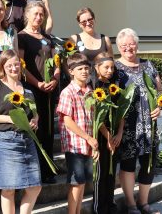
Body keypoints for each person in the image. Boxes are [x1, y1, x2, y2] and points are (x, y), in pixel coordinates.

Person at [0, 49, 42, 214]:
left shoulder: (27, 89)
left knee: (35, 186)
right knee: (8, 189)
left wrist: (35, 121)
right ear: (2, 66)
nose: (14, 68)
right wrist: (11, 120)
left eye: (16, 64)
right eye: (9, 65)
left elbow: (35, 113)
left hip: (27, 140)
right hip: (6, 141)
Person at [115, 28, 162, 214]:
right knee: (128, 164)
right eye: (124, 45)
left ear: (137, 44)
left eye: (131, 44)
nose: (128, 48)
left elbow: (159, 91)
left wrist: (159, 106)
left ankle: (143, 202)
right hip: (127, 126)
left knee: (148, 163)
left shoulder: (149, 65)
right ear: (118, 47)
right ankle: (130, 204)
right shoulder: (115, 68)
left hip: (150, 126)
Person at [18, 2, 60, 184]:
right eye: (35, 14)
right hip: (32, 89)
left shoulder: (47, 38)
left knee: (49, 129)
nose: (39, 17)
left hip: (49, 89)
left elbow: (56, 61)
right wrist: (38, 83)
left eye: (42, 15)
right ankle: (37, 171)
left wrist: (55, 79)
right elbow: (20, 65)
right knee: (38, 128)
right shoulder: (21, 37)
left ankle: (49, 169)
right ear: (27, 15)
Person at [56, 53, 99, 214]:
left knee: (82, 183)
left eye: (87, 68)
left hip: (87, 145)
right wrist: (88, 137)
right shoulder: (68, 92)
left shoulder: (89, 91)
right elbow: (68, 121)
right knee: (76, 182)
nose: (84, 71)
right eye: (80, 69)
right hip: (75, 145)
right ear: (71, 71)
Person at [92, 52, 123, 214]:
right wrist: (109, 137)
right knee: (101, 173)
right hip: (102, 135)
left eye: (112, 67)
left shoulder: (115, 86)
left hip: (115, 136)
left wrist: (119, 133)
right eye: (106, 67)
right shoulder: (95, 87)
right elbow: (97, 116)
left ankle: (111, 205)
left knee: (112, 173)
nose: (110, 70)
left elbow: (122, 111)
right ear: (97, 68)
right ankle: (99, 208)